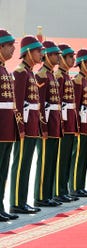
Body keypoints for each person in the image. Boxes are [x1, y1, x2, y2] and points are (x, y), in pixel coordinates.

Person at [10, 35, 45, 214]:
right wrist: (20, 127)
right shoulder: (20, 72)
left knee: (27, 164)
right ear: (29, 52)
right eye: (38, 51)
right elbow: (18, 102)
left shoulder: (30, 72)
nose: (41, 54)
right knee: (21, 163)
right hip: (24, 125)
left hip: (32, 125)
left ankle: (22, 200)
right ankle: (16, 202)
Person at [34, 40, 63, 207]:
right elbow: (41, 104)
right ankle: (40, 196)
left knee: (51, 161)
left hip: (55, 124)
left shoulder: (51, 74)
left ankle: (48, 194)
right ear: (48, 56)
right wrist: (43, 127)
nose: (58, 57)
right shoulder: (42, 75)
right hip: (47, 125)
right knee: (44, 161)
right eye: (55, 55)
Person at [70, 49, 87, 197]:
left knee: (84, 155)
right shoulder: (78, 81)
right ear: (83, 63)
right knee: (78, 156)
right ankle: (74, 186)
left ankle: (80, 185)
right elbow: (77, 105)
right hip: (80, 123)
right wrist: (77, 126)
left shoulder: (86, 80)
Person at [55, 43, 79, 203]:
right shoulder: (58, 76)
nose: (73, 59)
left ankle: (63, 189)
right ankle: (58, 191)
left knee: (67, 159)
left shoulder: (67, 76)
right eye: (70, 56)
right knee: (61, 159)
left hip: (70, 123)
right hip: (63, 123)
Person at [0, 29, 20, 221]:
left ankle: (1, 205)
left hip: (7, 128)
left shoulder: (5, 69)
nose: (13, 49)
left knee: (3, 170)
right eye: (10, 45)